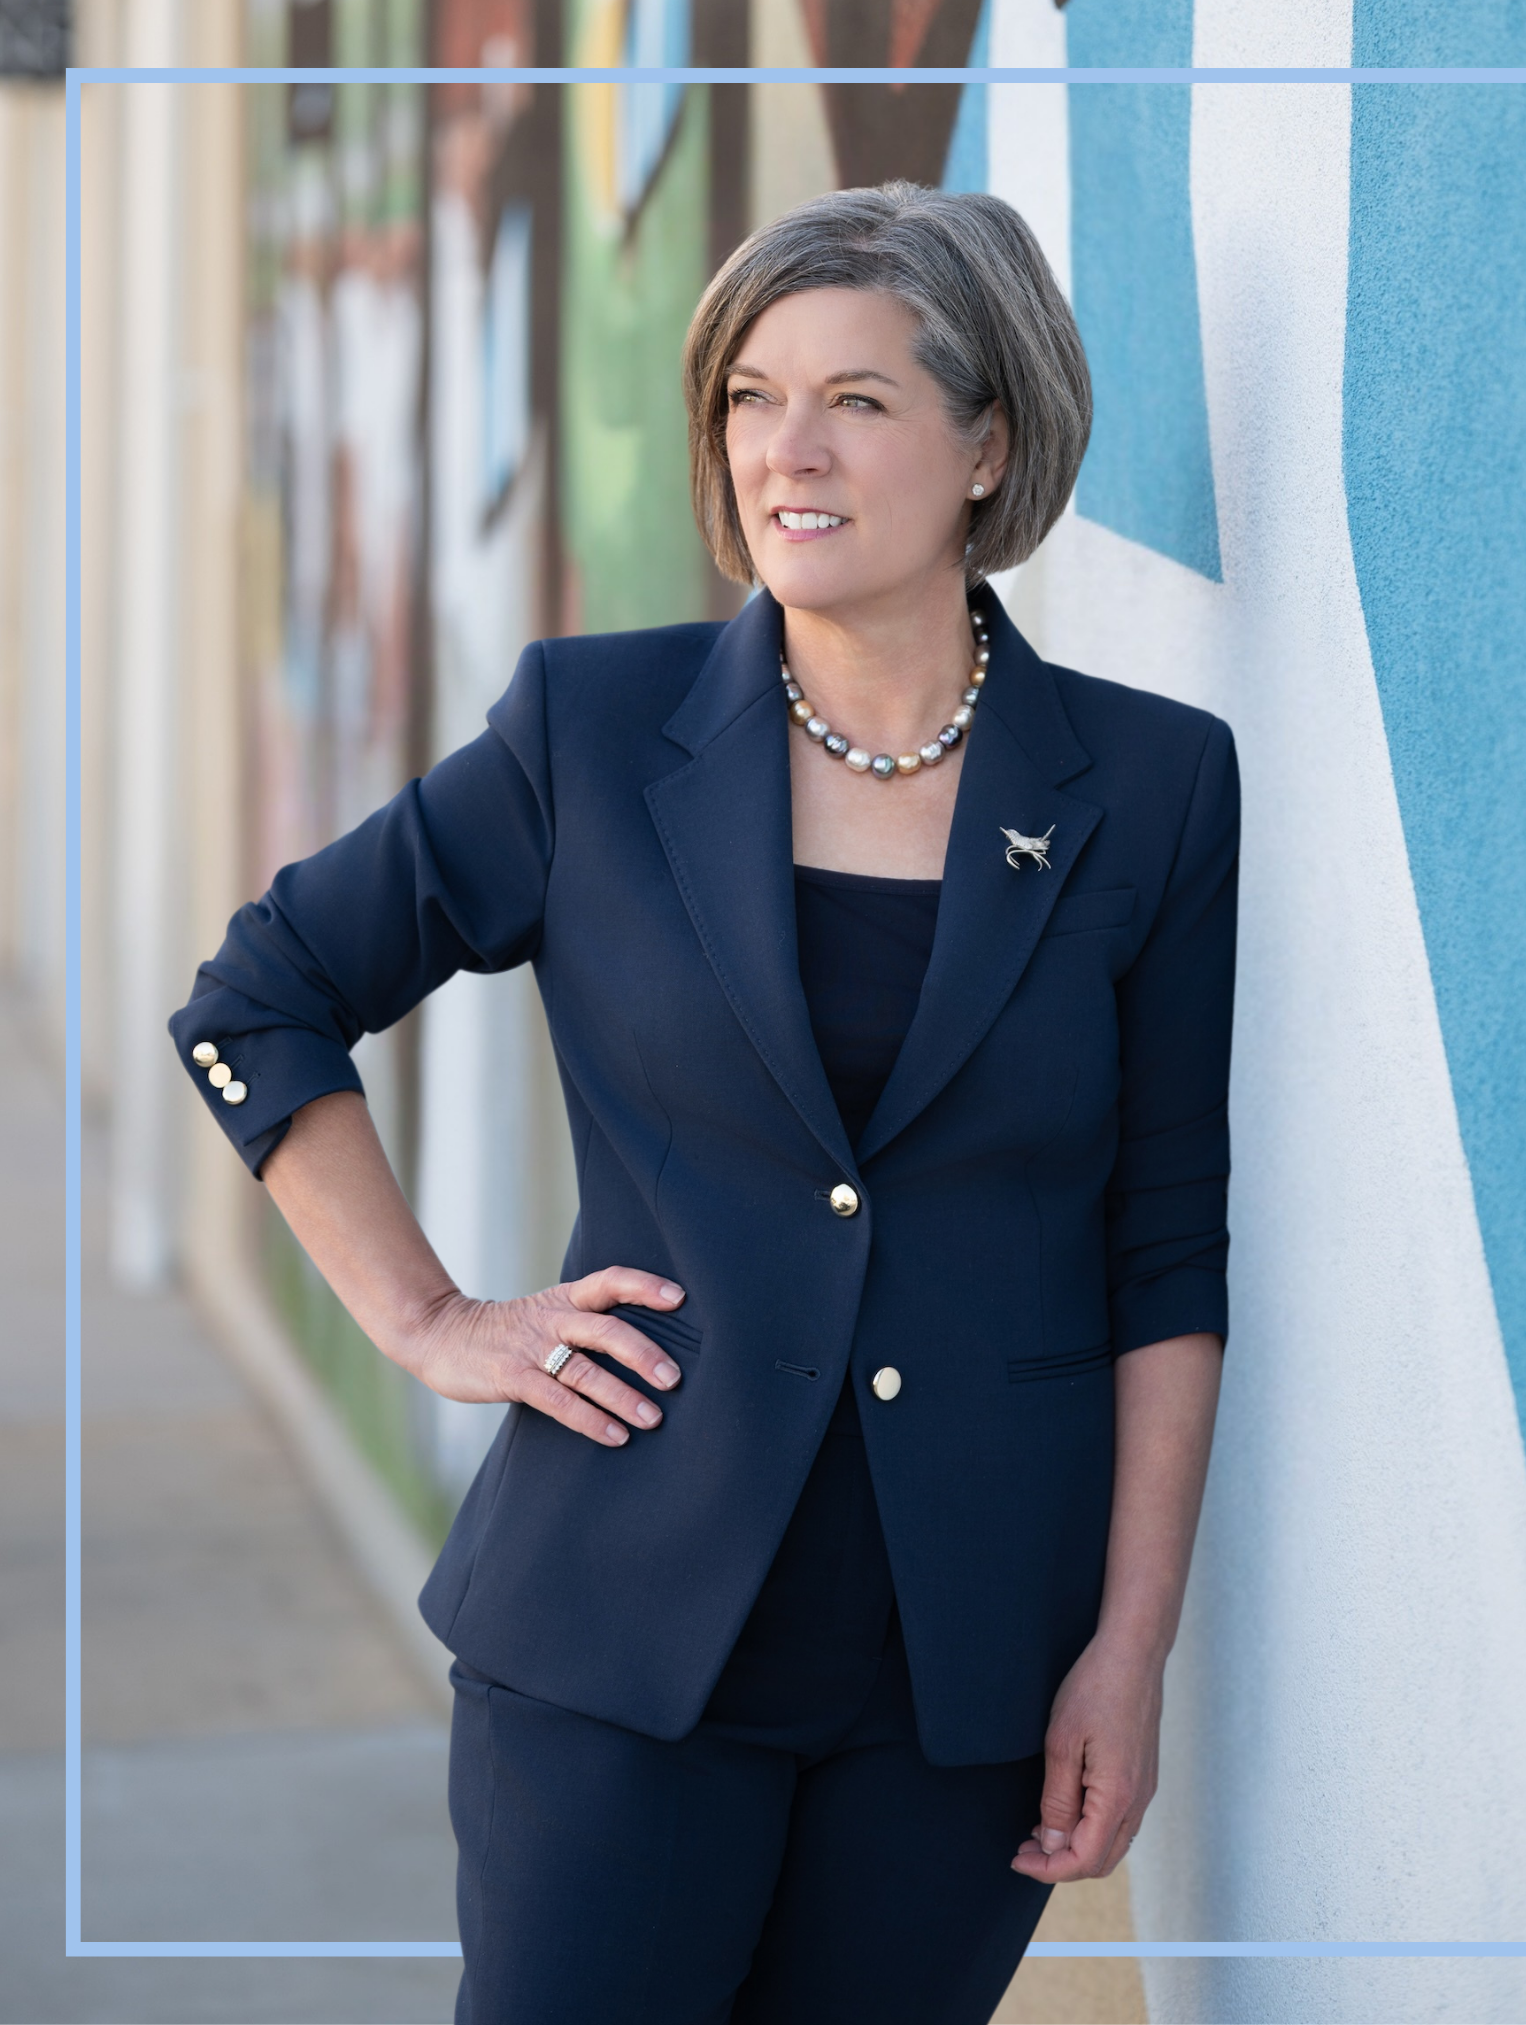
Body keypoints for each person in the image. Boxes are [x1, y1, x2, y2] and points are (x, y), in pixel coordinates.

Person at [171, 182, 1237, 2025]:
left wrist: (1127, 1651)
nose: (786, 452)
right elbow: (259, 1003)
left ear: (989, 443)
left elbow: (1164, 1245)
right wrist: (430, 1321)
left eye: (859, 400)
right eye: (750, 396)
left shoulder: (1153, 785)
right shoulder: (590, 734)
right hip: (617, 1638)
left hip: (965, 1679)